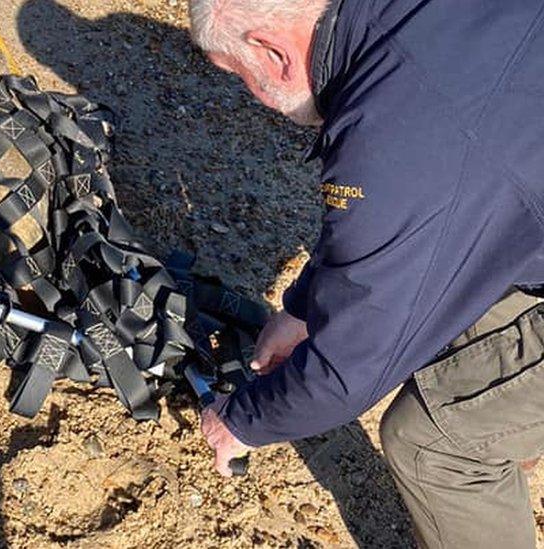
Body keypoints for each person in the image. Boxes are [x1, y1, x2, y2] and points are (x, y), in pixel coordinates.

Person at [190, 0, 544, 546]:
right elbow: (412, 232)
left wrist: (242, 420)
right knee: (464, 312)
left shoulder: (394, 139)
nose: (253, 98)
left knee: (433, 441)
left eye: (241, 77)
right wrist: (304, 309)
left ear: (271, 51)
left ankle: (490, 442)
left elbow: (347, 370)